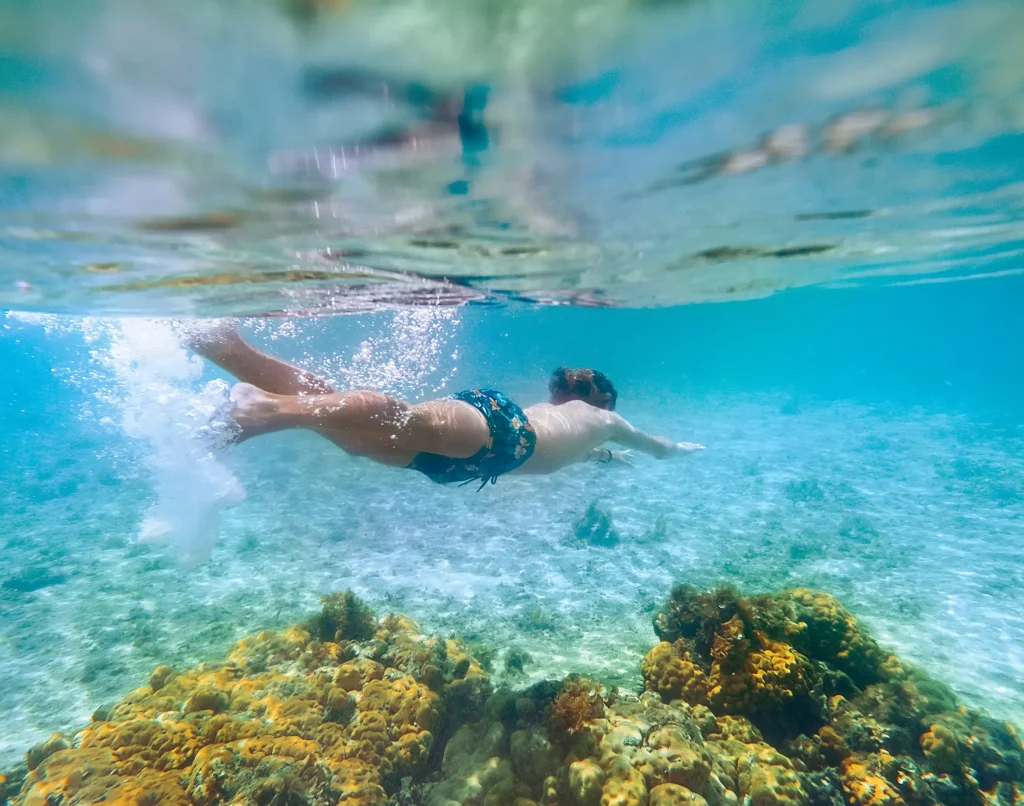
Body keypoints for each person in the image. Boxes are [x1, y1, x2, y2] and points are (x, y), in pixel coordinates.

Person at [187, 324, 703, 489]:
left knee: (352, 437)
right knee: (408, 420)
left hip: (478, 457)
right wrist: (678, 449)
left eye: (581, 382)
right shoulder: (608, 419)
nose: (572, 386)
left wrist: (610, 458)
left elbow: (581, 450)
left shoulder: (587, 428)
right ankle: (267, 412)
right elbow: (655, 446)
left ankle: (226, 348)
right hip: (505, 435)